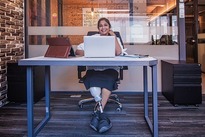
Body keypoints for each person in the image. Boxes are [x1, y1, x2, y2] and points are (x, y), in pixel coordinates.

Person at [75, 17, 124, 133]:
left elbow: (118, 52)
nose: (103, 27)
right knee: (92, 79)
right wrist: (90, 52)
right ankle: (101, 115)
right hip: (94, 69)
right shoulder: (92, 39)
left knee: (108, 80)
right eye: (101, 26)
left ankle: (97, 113)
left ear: (109, 27)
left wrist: (114, 37)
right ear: (98, 28)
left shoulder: (114, 38)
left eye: (105, 25)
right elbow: (77, 51)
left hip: (110, 69)